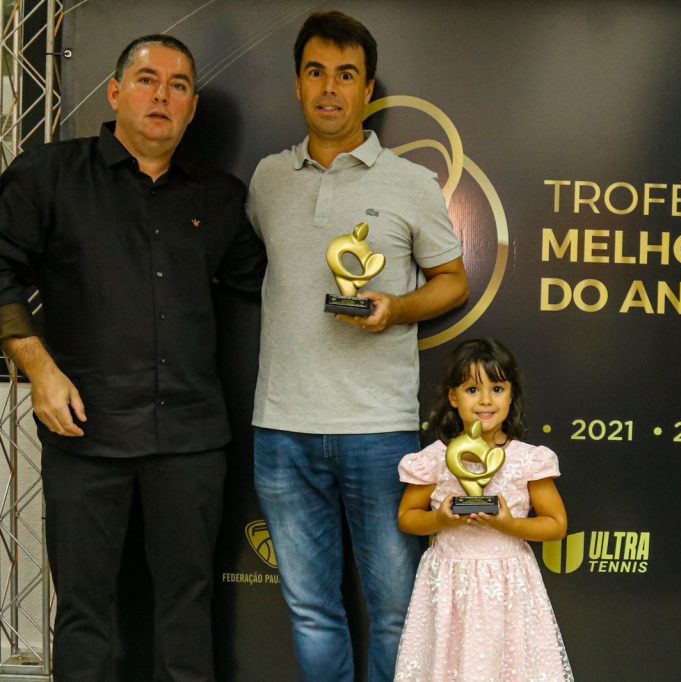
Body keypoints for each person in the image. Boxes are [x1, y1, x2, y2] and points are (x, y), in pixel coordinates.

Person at [0, 34, 266, 682]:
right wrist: (39, 370)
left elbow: (269, 286)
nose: (162, 96)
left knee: (187, 613)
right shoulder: (48, 175)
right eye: (148, 80)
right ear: (116, 92)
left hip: (191, 439)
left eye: (179, 86)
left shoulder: (220, 198)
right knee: (85, 614)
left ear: (192, 108)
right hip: (85, 431)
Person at [247, 10, 469, 681]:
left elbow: (453, 281)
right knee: (312, 612)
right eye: (316, 72)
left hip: (378, 430)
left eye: (346, 75)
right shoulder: (266, 179)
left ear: (367, 90)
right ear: (297, 84)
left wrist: (396, 308)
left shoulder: (410, 183)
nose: (329, 88)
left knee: (396, 612)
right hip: (282, 429)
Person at [395, 338, 573, 681]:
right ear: (453, 397)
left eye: (497, 388)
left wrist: (509, 525)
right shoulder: (435, 458)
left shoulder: (528, 460)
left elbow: (556, 524)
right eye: (472, 389)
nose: (486, 400)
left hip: (509, 585)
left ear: (511, 395)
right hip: (449, 583)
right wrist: (440, 519)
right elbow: (407, 517)